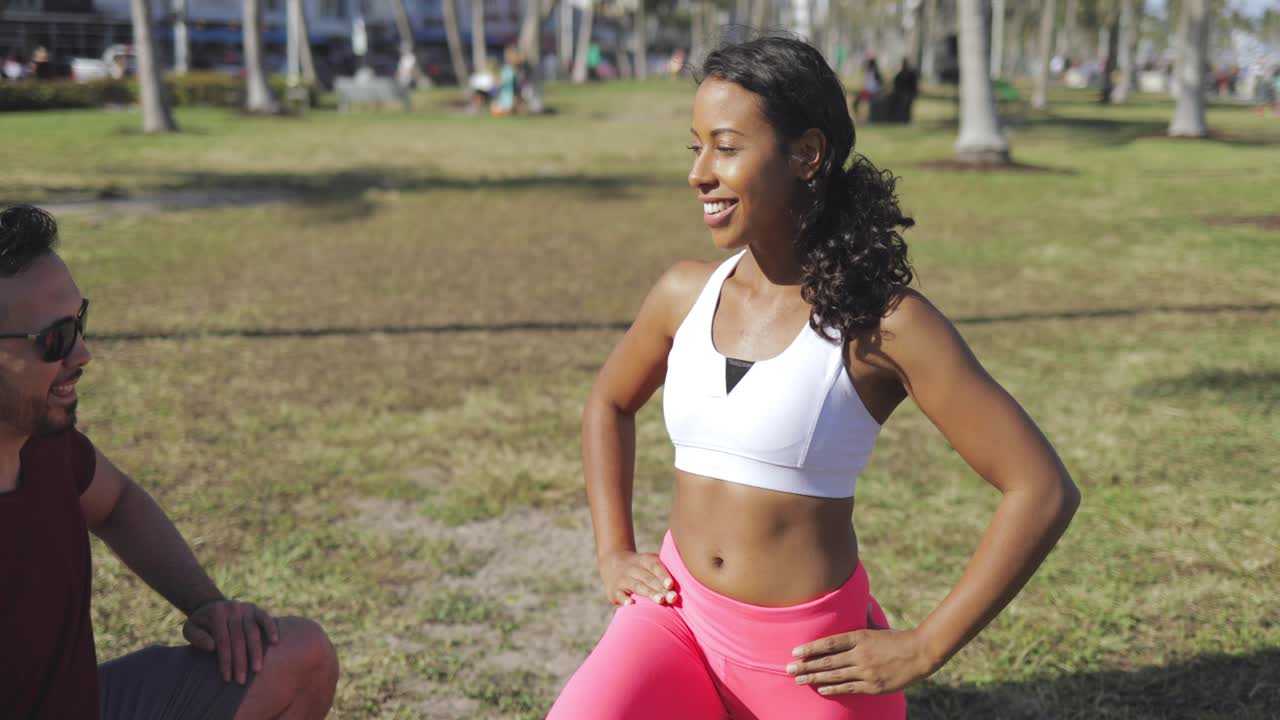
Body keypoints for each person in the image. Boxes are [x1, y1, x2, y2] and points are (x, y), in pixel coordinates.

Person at [547, 35, 1079, 719]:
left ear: (806, 154)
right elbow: (609, 402)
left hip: (810, 662)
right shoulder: (683, 293)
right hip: (674, 620)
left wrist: (923, 648)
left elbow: (1040, 488)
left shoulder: (882, 326)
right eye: (695, 147)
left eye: (727, 147)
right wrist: (614, 552)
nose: (699, 172)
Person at [0, 205, 340, 719]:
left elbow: (116, 504)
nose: (83, 353)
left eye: (79, 323)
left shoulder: (44, 440)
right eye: (55, 339)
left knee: (298, 656)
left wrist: (203, 603)